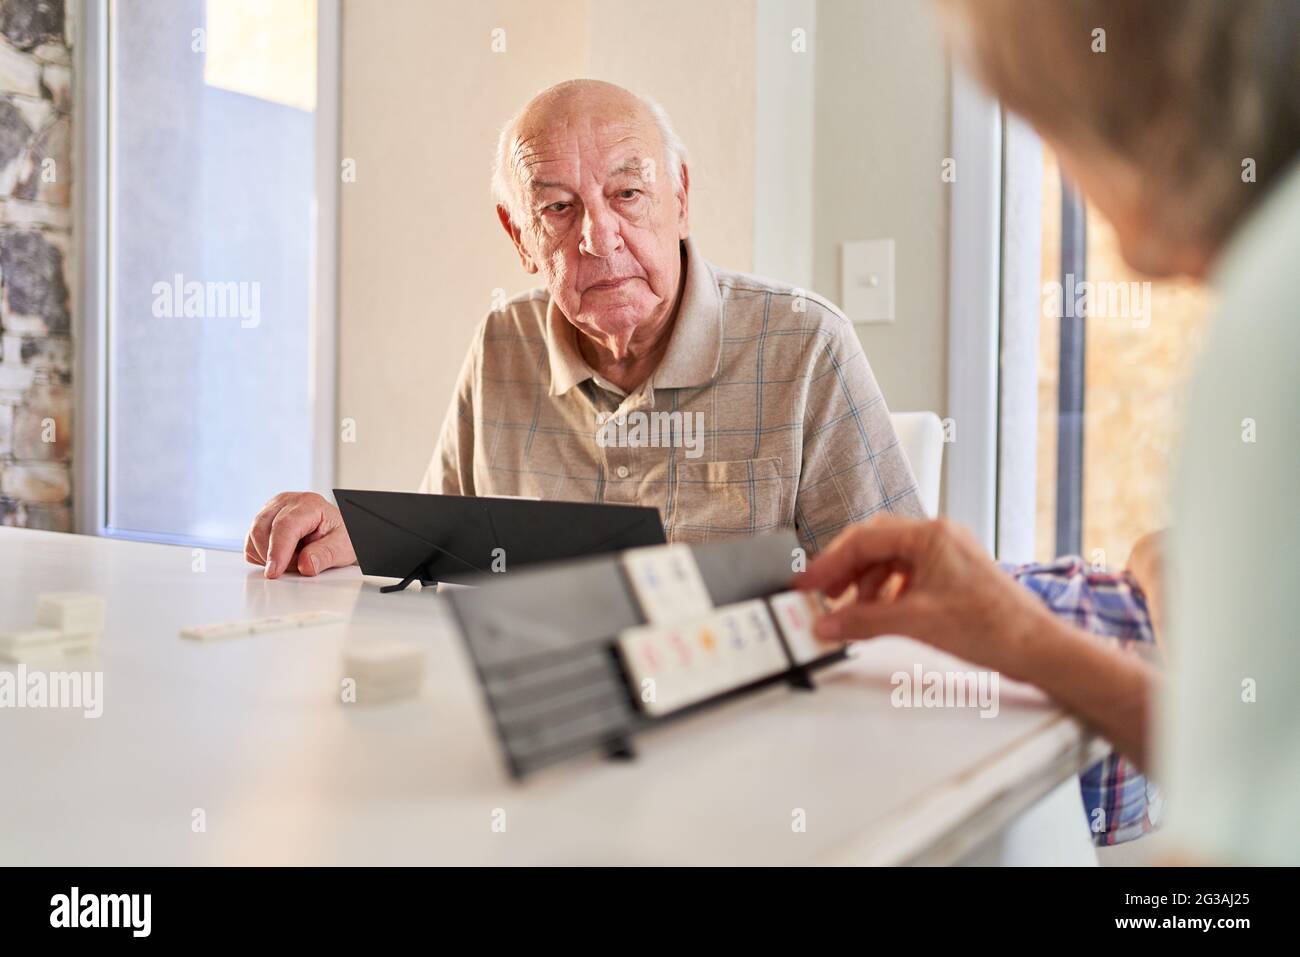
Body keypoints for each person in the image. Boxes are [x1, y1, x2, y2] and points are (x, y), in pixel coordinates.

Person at [799, 0, 1300, 865]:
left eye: (1047, 126)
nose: (1068, 178)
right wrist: (1019, 634)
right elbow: (1249, 774)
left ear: (1139, 106)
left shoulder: (1271, 309)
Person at [245, 79, 923, 580]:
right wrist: (359, 535)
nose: (600, 237)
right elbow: (442, 551)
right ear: (520, 236)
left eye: (628, 194)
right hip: (553, 717)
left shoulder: (806, 344)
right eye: (559, 209)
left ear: (680, 198)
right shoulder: (501, 345)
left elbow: (900, 591)